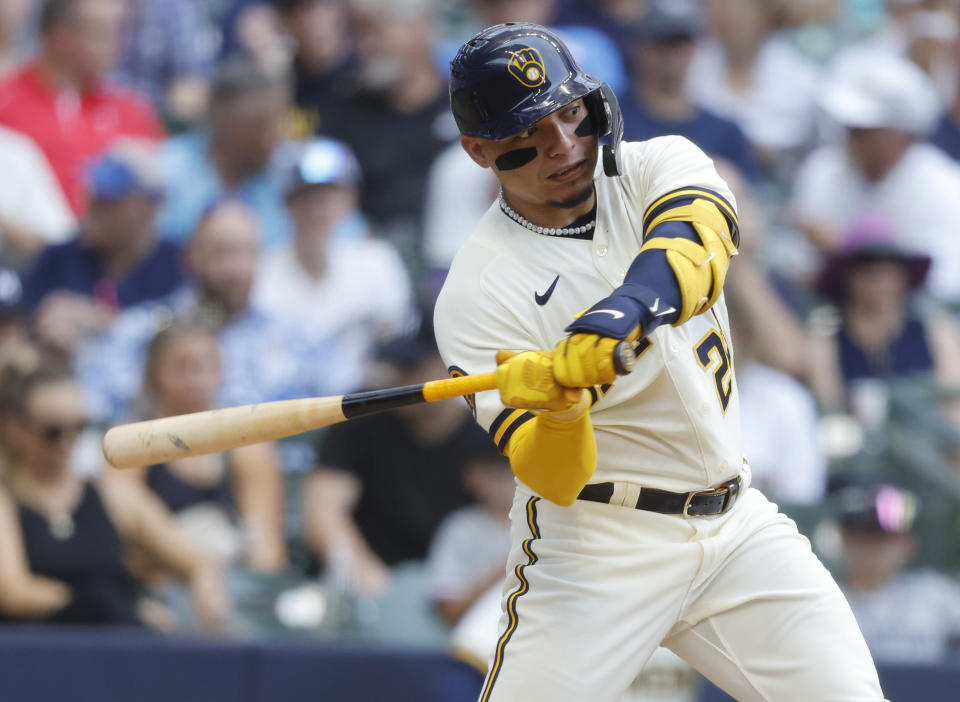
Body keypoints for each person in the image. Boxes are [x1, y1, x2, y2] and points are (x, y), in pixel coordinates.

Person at [434, 23, 886, 700]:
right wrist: (560, 409)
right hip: (595, 549)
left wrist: (623, 312)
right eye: (529, 133)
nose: (563, 146)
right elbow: (554, 477)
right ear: (478, 151)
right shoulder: (476, 293)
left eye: (569, 113)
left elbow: (697, 246)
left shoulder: (657, 164)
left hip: (736, 527)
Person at [0, 347, 229, 631]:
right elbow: (14, 592)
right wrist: (113, 607)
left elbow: (195, 562)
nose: (68, 441)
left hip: (116, 651)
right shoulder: (6, 500)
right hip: (36, 650)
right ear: (13, 428)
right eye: (53, 431)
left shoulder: (112, 495)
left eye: (79, 427)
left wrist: (207, 595)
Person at [77, 198, 316, 424]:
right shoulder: (140, 330)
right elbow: (96, 412)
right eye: (223, 253)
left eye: (248, 252)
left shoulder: (295, 335)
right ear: (191, 257)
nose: (237, 269)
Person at [302, 314, 489, 597]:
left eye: (411, 365)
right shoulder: (364, 412)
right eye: (395, 364)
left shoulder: (486, 438)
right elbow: (323, 513)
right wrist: (367, 579)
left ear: (451, 365)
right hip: (362, 590)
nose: (399, 377)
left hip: (448, 598)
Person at [790, 49, 960, 304]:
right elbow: (798, 268)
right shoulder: (822, 170)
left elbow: (943, 291)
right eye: (850, 127)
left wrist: (847, 248)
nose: (851, 137)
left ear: (904, 135)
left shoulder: (945, 187)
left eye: (865, 130)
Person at [251, 137, 415, 393]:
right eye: (304, 196)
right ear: (286, 203)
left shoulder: (377, 261)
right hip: (286, 408)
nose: (317, 207)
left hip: (362, 407)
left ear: (350, 200)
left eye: (328, 195)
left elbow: (399, 338)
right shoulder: (260, 270)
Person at [134, 320, 288, 575]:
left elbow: (265, 541)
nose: (195, 379)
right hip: (159, 583)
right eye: (182, 367)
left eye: (207, 366)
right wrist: (199, 570)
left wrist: (256, 597)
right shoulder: (132, 443)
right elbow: (127, 511)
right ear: (154, 373)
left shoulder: (248, 444)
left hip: (233, 580)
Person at [0, 0, 165, 217]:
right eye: (103, 33)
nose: (118, 44)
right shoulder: (6, 101)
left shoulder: (132, 111)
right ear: (60, 36)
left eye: (122, 31)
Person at [21, 142, 184, 357]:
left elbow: (205, 321)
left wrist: (106, 321)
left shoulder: (179, 262)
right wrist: (42, 322)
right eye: (93, 196)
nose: (93, 208)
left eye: (109, 201)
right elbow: (18, 321)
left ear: (149, 208)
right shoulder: (59, 258)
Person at [156, 58, 293, 248]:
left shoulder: (284, 172)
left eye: (279, 123)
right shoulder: (169, 168)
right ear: (223, 120)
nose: (275, 138)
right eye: (259, 124)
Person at [620, 0, 759, 182]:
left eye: (681, 42)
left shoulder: (724, 131)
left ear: (695, 47)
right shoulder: (611, 122)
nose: (672, 53)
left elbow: (750, 199)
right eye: (661, 41)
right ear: (639, 46)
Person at [836, 481, 960, 663]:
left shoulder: (936, 594)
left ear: (910, 543)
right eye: (865, 536)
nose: (876, 547)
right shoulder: (823, 600)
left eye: (886, 538)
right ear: (844, 539)